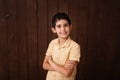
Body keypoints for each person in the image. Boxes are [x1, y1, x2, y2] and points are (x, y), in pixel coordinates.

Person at [43, 12, 81, 80]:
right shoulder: (52, 43)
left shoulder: (75, 47)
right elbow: (44, 65)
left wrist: (51, 62)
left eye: (65, 25)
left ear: (70, 27)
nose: (63, 29)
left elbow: (67, 73)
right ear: (54, 30)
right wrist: (63, 66)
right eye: (59, 26)